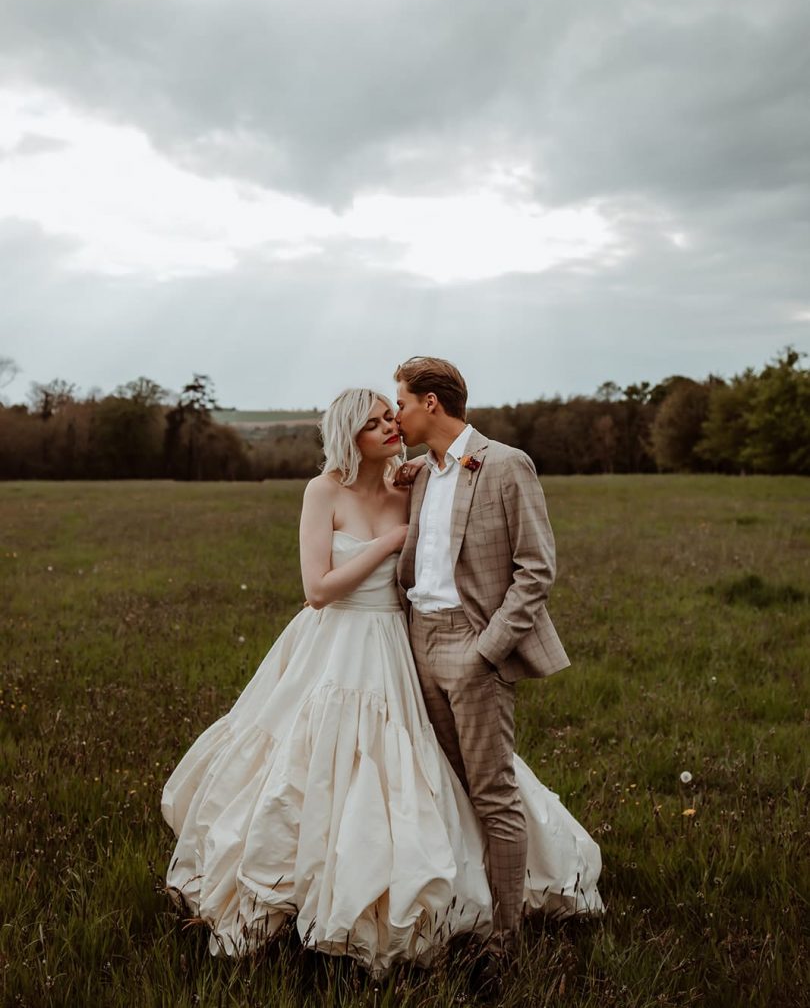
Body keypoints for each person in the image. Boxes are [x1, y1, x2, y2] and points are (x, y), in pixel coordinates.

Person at [162, 387, 602, 977]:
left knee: (431, 763)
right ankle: (314, 895)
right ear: (350, 437)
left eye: (390, 417)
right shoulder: (323, 492)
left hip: (401, 640)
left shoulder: (411, 483)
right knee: (315, 767)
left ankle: (471, 896)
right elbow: (316, 589)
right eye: (374, 424)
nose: (390, 428)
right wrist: (390, 543)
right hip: (336, 642)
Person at [394, 356, 587, 976]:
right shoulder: (423, 470)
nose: (395, 415)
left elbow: (537, 571)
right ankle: (466, 908)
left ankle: (506, 937)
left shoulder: (507, 465)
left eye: (400, 402)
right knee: (448, 787)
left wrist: (485, 653)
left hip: (472, 646)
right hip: (418, 642)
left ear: (430, 403)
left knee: (492, 792)